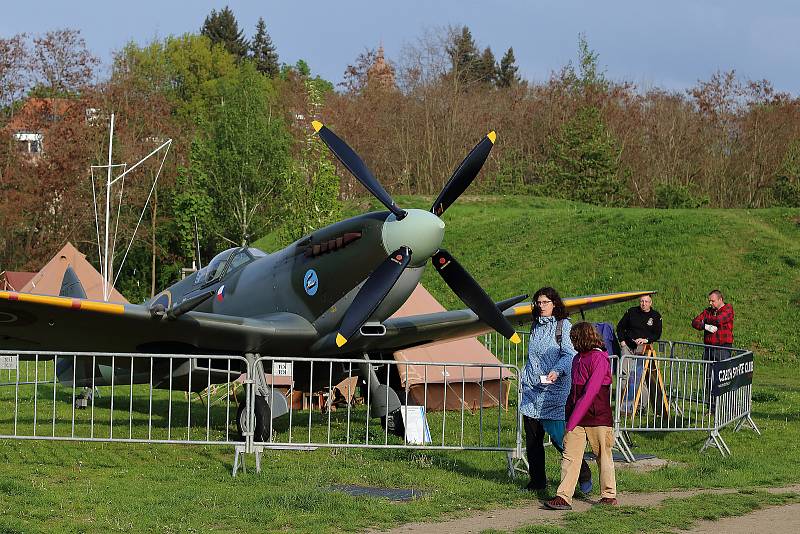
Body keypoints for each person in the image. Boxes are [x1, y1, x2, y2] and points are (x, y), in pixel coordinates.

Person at [519, 287, 591, 493]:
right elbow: (533, 357)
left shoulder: (563, 326)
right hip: (533, 391)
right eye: (538, 303)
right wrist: (527, 376)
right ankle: (537, 481)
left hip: (555, 392)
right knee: (533, 441)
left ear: (554, 304)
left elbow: (569, 355)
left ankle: (584, 473)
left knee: (560, 439)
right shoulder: (535, 326)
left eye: (545, 303)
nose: (541, 307)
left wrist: (556, 371)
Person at [544, 322, 618, 510]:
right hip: (577, 417)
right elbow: (574, 392)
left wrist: (571, 421)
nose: (572, 342)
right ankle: (563, 496)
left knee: (603, 456)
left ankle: (609, 495)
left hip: (597, 416)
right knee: (570, 456)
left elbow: (590, 392)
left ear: (583, 337)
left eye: (574, 338)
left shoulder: (599, 358)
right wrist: (569, 415)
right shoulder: (576, 359)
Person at [616, 295, 662, 412]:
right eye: (642, 301)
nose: (644, 303)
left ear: (650, 303)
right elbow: (620, 327)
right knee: (625, 375)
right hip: (628, 347)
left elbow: (657, 334)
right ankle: (625, 406)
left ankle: (642, 406)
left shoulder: (655, 316)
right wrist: (622, 342)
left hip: (644, 348)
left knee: (640, 377)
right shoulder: (631, 312)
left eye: (646, 301)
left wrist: (646, 340)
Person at [691, 290, 734, 361]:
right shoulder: (708, 311)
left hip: (722, 348)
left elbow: (719, 320)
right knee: (707, 371)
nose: (710, 303)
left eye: (713, 301)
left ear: (720, 299)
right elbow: (694, 322)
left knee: (721, 369)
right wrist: (705, 326)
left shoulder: (728, 309)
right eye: (709, 301)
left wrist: (705, 321)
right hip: (709, 348)